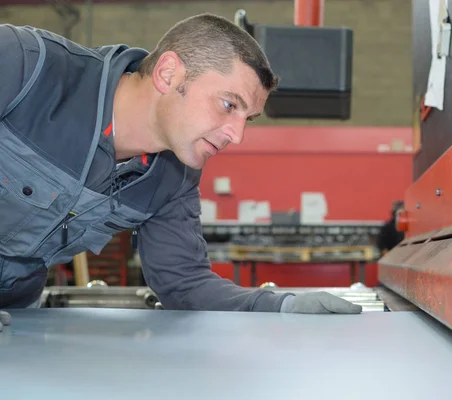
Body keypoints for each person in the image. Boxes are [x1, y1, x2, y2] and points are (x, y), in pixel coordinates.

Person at [0, 14, 361, 330]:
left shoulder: (172, 177)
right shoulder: (28, 66)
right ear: (168, 73)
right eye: (228, 104)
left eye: (246, 118)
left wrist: (282, 306)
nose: (237, 135)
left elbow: (184, 283)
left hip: (15, 318)